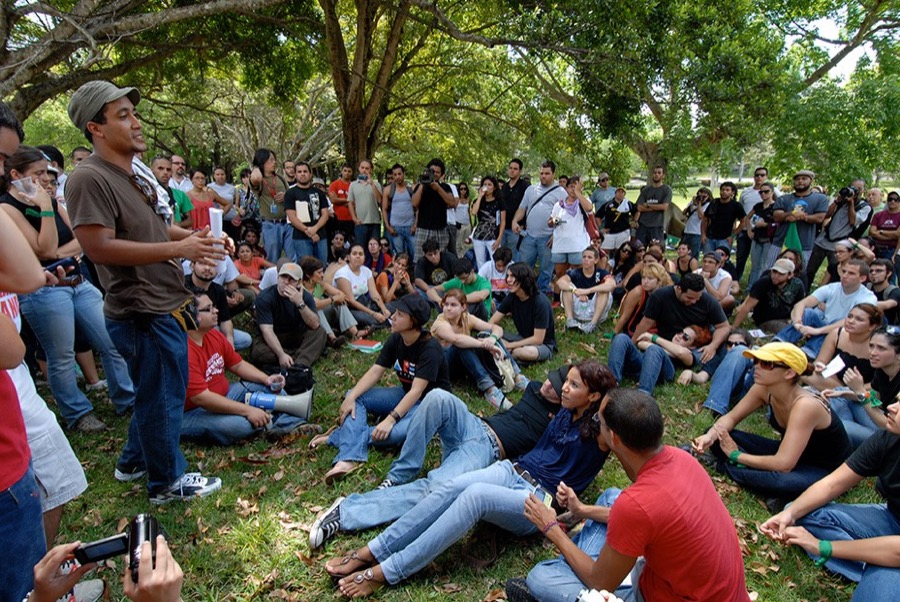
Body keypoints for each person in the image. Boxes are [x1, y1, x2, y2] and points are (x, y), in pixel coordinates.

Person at [326, 361, 614, 598]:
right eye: (568, 380)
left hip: (538, 500)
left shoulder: (602, 432)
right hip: (510, 470)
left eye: (575, 385)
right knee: (450, 487)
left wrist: (576, 506)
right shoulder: (564, 409)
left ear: (594, 397)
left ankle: (388, 571)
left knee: (474, 496)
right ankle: (374, 550)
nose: (564, 386)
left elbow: (628, 431)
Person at [65, 81, 223, 504]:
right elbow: (98, 246)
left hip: (165, 302)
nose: (136, 123)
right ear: (94, 128)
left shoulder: (135, 173)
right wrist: (179, 248)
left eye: (133, 113)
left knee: (156, 392)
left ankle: (134, 461)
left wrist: (195, 240)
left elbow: (153, 229)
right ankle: (166, 484)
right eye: (122, 115)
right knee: (165, 398)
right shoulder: (87, 178)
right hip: (141, 310)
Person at [510, 389, 750, 602]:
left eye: (598, 420)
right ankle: (577, 566)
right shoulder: (683, 458)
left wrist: (551, 527)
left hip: (658, 592)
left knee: (542, 578)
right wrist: (582, 510)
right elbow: (648, 514)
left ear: (613, 437)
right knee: (613, 496)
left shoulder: (636, 506)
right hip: (686, 583)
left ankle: (570, 579)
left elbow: (600, 582)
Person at [309, 366, 572, 549]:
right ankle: (398, 476)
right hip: (473, 425)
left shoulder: (560, 423)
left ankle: (346, 512)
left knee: (435, 490)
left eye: (557, 386)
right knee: (437, 398)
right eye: (552, 378)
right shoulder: (535, 388)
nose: (548, 384)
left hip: (486, 450)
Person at [1, 146, 135, 431]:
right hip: (44, 291)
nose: (44, 181)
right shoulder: (7, 209)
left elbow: (81, 238)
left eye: (46, 175)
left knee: (111, 340)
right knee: (61, 354)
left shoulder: (48, 199)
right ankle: (77, 413)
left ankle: (127, 398)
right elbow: (45, 247)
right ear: (16, 175)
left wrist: (55, 250)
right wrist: (46, 209)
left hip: (79, 281)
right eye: (37, 174)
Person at [759, 395, 900, 600]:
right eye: (895, 399)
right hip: (891, 518)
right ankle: (871, 557)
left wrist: (823, 547)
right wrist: (788, 514)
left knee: (879, 594)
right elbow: (833, 483)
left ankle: (875, 563)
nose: (891, 407)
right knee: (802, 513)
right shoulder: (888, 437)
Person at [691, 342, 852, 510]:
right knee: (718, 436)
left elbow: (783, 464)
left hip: (824, 470)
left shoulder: (805, 405)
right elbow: (730, 418)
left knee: (781, 482)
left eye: (766, 364)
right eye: (756, 362)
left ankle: (722, 466)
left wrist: (735, 455)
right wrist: (709, 437)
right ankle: (754, 477)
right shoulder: (763, 389)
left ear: (789, 373)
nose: (757, 367)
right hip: (788, 453)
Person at [309, 293, 450, 484]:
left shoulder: (430, 348)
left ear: (414, 321)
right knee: (354, 395)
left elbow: (418, 391)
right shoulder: (396, 339)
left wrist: (390, 419)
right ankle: (349, 458)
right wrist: (351, 398)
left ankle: (338, 436)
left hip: (428, 404)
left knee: (395, 434)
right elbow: (376, 371)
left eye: (400, 314)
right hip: (404, 394)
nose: (393, 316)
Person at [181, 293, 318, 445]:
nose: (216, 311)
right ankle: (274, 422)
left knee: (271, 389)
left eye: (213, 306)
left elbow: (238, 364)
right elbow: (202, 398)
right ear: (192, 316)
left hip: (225, 395)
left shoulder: (213, 334)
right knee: (240, 426)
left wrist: (266, 379)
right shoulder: (184, 351)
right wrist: (247, 411)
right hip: (192, 412)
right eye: (208, 309)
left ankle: (286, 423)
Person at [431, 288, 523, 409]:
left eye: (453, 305)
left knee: (488, 335)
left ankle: (518, 376)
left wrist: (492, 339)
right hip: (444, 367)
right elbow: (456, 339)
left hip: (463, 366)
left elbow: (496, 328)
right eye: (446, 304)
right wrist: (484, 345)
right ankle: (490, 390)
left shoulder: (466, 318)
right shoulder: (440, 323)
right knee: (461, 345)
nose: (448, 308)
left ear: (463, 307)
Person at [804, 304, 880, 447]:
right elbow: (820, 361)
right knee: (807, 374)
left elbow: (877, 398)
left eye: (858, 319)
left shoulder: (878, 353)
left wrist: (857, 390)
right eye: (849, 316)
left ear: (872, 326)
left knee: (840, 422)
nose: (850, 321)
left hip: (866, 396)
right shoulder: (838, 334)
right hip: (843, 388)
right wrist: (821, 367)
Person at [774, 260, 877, 357]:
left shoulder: (867, 297)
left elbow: (849, 323)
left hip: (844, 332)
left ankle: (807, 353)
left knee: (837, 328)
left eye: (851, 273)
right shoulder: (832, 287)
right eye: (844, 271)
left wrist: (818, 331)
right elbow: (802, 304)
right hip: (824, 323)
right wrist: (797, 323)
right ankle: (778, 342)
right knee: (809, 312)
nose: (844, 276)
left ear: (862, 278)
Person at [512, 160, 567, 294]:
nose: (543, 176)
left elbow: (564, 216)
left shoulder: (561, 192)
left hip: (547, 238)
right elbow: (522, 208)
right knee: (524, 267)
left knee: (546, 269)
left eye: (547, 173)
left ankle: (541, 293)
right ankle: (524, 291)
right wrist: (515, 221)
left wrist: (555, 235)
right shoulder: (531, 190)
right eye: (541, 173)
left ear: (554, 174)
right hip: (529, 236)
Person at [489, 263, 557, 363]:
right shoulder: (512, 297)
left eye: (513, 276)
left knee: (523, 353)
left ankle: (507, 353)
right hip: (521, 338)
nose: (508, 280)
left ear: (523, 278)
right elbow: (491, 322)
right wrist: (493, 336)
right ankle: (506, 352)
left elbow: (538, 339)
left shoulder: (540, 302)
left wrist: (509, 345)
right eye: (508, 276)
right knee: (487, 333)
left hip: (542, 344)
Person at [299, 255, 368, 348]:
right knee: (317, 310)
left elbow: (341, 295)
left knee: (340, 303)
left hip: (324, 317)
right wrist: (332, 299)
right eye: (319, 273)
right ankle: (332, 338)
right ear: (308, 275)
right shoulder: (301, 288)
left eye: (322, 272)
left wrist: (336, 299)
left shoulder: (321, 285)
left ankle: (355, 332)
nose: (322, 275)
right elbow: (315, 304)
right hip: (308, 321)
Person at [184, 259, 252, 351]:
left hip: (211, 328)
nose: (207, 268)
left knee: (245, 339)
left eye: (212, 265)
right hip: (185, 334)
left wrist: (230, 343)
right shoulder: (181, 286)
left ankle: (218, 351)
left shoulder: (218, 290)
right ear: (192, 266)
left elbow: (225, 320)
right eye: (202, 263)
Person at [767, 170, 830, 267]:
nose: (800, 181)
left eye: (804, 179)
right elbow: (776, 216)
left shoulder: (820, 199)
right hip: (780, 243)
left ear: (811, 181)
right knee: (771, 269)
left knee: (799, 273)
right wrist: (791, 213)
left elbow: (819, 218)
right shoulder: (784, 199)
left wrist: (800, 216)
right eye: (797, 179)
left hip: (805, 245)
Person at [731, 257, 806, 333]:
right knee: (789, 331)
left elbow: (799, 306)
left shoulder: (797, 285)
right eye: (774, 271)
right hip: (766, 320)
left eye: (781, 274)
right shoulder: (763, 283)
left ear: (790, 275)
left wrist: (795, 321)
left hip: (789, 318)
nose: (775, 275)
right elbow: (747, 306)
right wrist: (734, 328)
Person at [557, 247, 616, 334]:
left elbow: (612, 284)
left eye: (589, 257)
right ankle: (570, 321)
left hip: (595, 310)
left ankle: (592, 325)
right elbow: (560, 282)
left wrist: (587, 291)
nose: (586, 259)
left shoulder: (601, 273)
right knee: (566, 288)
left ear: (596, 260)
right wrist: (575, 291)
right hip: (577, 309)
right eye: (584, 257)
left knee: (604, 290)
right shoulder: (575, 272)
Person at [334, 242, 392, 327]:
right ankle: (385, 322)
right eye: (354, 254)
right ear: (348, 257)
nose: (358, 256)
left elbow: (374, 294)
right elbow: (351, 301)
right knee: (369, 319)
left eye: (361, 254)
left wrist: (384, 309)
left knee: (390, 307)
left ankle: (385, 319)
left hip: (365, 303)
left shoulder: (366, 271)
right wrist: (373, 314)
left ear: (364, 257)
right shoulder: (342, 274)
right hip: (349, 308)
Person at [549, 176, 593, 281]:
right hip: (560, 245)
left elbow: (589, 208)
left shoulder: (583, 202)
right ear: (566, 188)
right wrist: (554, 221)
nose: (573, 190)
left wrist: (578, 193)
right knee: (560, 274)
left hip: (578, 245)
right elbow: (550, 222)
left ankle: (578, 295)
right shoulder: (558, 205)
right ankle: (559, 296)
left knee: (579, 273)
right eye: (571, 187)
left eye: (576, 187)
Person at [411, 158, 457, 258]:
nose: (435, 174)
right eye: (432, 171)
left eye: (437, 172)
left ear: (441, 175)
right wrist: (423, 184)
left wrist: (438, 188)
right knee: (420, 258)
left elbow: (452, 203)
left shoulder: (445, 187)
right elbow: (414, 203)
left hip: (440, 229)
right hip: (423, 228)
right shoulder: (420, 186)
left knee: (440, 258)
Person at [285, 161, 330, 263]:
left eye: (305, 171)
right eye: (299, 172)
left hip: (320, 235)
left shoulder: (319, 193)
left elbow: (325, 214)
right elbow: (292, 217)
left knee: (321, 266)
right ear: (295, 175)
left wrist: (315, 229)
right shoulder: (290, 193)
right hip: (301, 237)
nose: (302, 174)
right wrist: (308, 231)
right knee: (305, 268)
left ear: (310, 174)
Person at [250, 148, 290, 261]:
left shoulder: (280, 178)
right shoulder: (259, 179)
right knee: (272, 257)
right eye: (270, 160)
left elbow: (291, 196)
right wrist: (256, 167)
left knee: (291, 257)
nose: (274, 162)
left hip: (286, 223)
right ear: (263, 161)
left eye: (274, 159)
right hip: (270, 224)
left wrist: (285, 196)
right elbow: (256, 178)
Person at [613, 263, 672, 337]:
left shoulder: (666, 294)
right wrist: (614, 333)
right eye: (643, 278)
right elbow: (624, 316)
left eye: (650, 278)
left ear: (659, 280)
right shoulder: (638, 291)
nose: (645, 281)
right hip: (634, 330)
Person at [426, 257, 491, 320]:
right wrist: (439, 300)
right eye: (460, 279)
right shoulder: (458, 281)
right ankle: (449, 317)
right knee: (439, 293)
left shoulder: (483, 283)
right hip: (462, 311)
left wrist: (457, 299)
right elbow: (430, 290)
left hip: (479, 315)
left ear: (472, 272)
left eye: (465, 278)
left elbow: (481, 296)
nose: (463, 281)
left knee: (475, 302)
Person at [745, 181, 778, 287]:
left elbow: (778, 223)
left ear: (772, 192)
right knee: (755, 266)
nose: (763, 194)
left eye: (766, 191)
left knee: (764, 266)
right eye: (761, 192)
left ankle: (760, 288)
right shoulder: (758, 206)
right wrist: (749, 230)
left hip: (769, 239)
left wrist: (765, 225)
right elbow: (747, 218)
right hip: (756, 238)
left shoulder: (776, 206)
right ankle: (751, 287)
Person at [470, 175, 505, 269]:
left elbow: (503, 221)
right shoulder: (478, 201)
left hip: (493, 236)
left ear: (494, 187)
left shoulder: (499, 202)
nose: (487, 186)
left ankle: (495, 281)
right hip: (479, 236)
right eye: (485, 184)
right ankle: (483, 281)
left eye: (489, 184)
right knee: (480, 262)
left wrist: (499, 239)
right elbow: (473, 212)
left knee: (496, 261)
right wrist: (480, 196)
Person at [381, 163, 415, 259]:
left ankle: (414, 272)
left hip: (410, 226)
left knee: (414, 252)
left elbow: (417, 208)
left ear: (403, 174)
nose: (397, 177)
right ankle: (401, 273)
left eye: (399, 174)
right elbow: (384, 209)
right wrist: (388, 226)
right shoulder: (388, 190)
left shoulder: (411, 188)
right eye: (395, 175)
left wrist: (415, 225)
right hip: (396, 227)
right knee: (399, 255)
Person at [700, 181, 745, 254]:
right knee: (708, 258)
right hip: (710, 237)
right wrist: (703, 234)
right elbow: (705, 219)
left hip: (725, 239)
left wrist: (733, 235)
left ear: (732, 192)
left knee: (722, 260)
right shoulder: (714, 203)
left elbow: (743, 221)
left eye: (727, 190)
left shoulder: (736, 205)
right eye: (722, 190)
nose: (724, 192)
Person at [150, 155, 193, 229]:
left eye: (168, 169)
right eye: (160, 168)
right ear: (152, 170)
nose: (165, 172)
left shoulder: (180, 194)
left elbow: (190, 220)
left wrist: (178, 225)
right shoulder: (147, 194)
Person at [348, 159, 383, 245]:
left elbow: (380, 200)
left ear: (371, 170)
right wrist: (354, 218)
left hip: (374, 222)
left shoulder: (376, 184)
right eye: (362, 167)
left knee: (374, 250)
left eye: (367, 168)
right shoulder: (353, 184)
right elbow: (350, 202)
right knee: (360, 248)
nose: (364, 170)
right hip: (360, 223)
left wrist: (372, 184)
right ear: (359, 169)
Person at [634, 165, 671, 246]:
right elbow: (639, 207)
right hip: (643, 225)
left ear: (663, 175)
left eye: (659, 173)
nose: (656, 175)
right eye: (654, 173)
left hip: (656, 226)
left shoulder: (666, 190)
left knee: (655, 250)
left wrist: (647, 205)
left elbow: (664, 207)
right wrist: (656, 207)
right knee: (638, 249)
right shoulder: (646, 190)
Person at [500, 158, 528, 256]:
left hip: (516, 228)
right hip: (503, 227)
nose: (512, 170)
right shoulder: (505, 187)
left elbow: (528, 206)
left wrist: (523, 224)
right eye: (510, 168)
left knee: (513, 256)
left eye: (515, 169)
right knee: (502, 255)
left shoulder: (525, 186)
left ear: (520, 171)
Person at [597, 185, 634, 254]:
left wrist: (634, 221)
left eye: (622, 192)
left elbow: (636, 211)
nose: (620, 194)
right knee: (604, 251)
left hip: (623, 231)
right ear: (615, 193)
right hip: (609, 232)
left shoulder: (628, 204)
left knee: (620, 252)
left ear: (624, 194)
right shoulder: (608, 205)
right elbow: (598, 216)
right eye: (618, 192)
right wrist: (601, 228)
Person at [680, 187, 711, 258]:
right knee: (683, 252)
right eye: (700, 196)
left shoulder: (708, 205)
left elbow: (701, 216)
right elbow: (684, 212)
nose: (701, 198)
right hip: (687, 231)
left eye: (704, 196)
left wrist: (699, 203)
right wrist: (693, 203)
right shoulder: (694, 202)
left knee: (693, 254)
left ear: (708, 196)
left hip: (697, 232)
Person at [868, 258, 900, 324]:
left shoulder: (894, 291)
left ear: (888, 274)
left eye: (878, 271)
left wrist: (861, 304)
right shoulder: (865, 287)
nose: (873, 273)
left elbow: (888, 304)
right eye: (871, 271)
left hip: (888, 329)